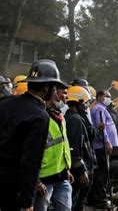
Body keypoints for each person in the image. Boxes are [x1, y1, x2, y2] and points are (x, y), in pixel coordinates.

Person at [0, 59, 66, 210]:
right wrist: (28, 203)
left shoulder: (6, 103)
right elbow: (30, 163)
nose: (55, 92)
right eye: (54, 87)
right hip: (12, 188)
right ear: (46, 87)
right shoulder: (39, 116)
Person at [34, 83, 73, 211]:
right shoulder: (39, 117)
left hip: (62, 177)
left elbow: (61, 145)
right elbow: (29, 152)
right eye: (63, 93)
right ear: (53, 93)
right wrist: (37, 181)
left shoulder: (59, 116)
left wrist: (66, 168)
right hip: (44, 180)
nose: (65, 97)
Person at [65, 86, 96, 211]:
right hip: (79, 171)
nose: (87, 106)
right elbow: (75, 148)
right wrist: (82, 171)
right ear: (79, 102)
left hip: (78, 169)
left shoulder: (73, 117)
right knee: (76, 203)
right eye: (86, 102)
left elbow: (90, 134)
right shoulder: (75, 120)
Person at [88, 90, 118, 208]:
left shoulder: (99, 108)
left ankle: (95, 197)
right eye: (107, 96)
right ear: (100, 97)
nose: (109, 99)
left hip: (101, 145)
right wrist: (107, 141)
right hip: (101, 145)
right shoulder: (99, 109)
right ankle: (100, 199)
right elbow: (102, 128)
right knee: (102, 173)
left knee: (100, 172)